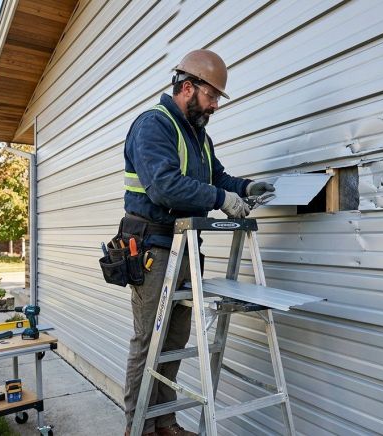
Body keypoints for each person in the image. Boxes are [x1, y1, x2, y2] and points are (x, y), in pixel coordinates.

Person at [120, 49, 275, 436]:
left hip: (186, 247)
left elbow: (217, 178)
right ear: (187, 87)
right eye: (212, 96)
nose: (216, 105)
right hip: (153, 248)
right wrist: (223, 201)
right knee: (149, 340)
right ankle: (136, 428)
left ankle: (164, 421)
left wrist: (244, 188)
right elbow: (164, 187)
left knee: (174, 339)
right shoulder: (153, 126)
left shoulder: (199, 135)